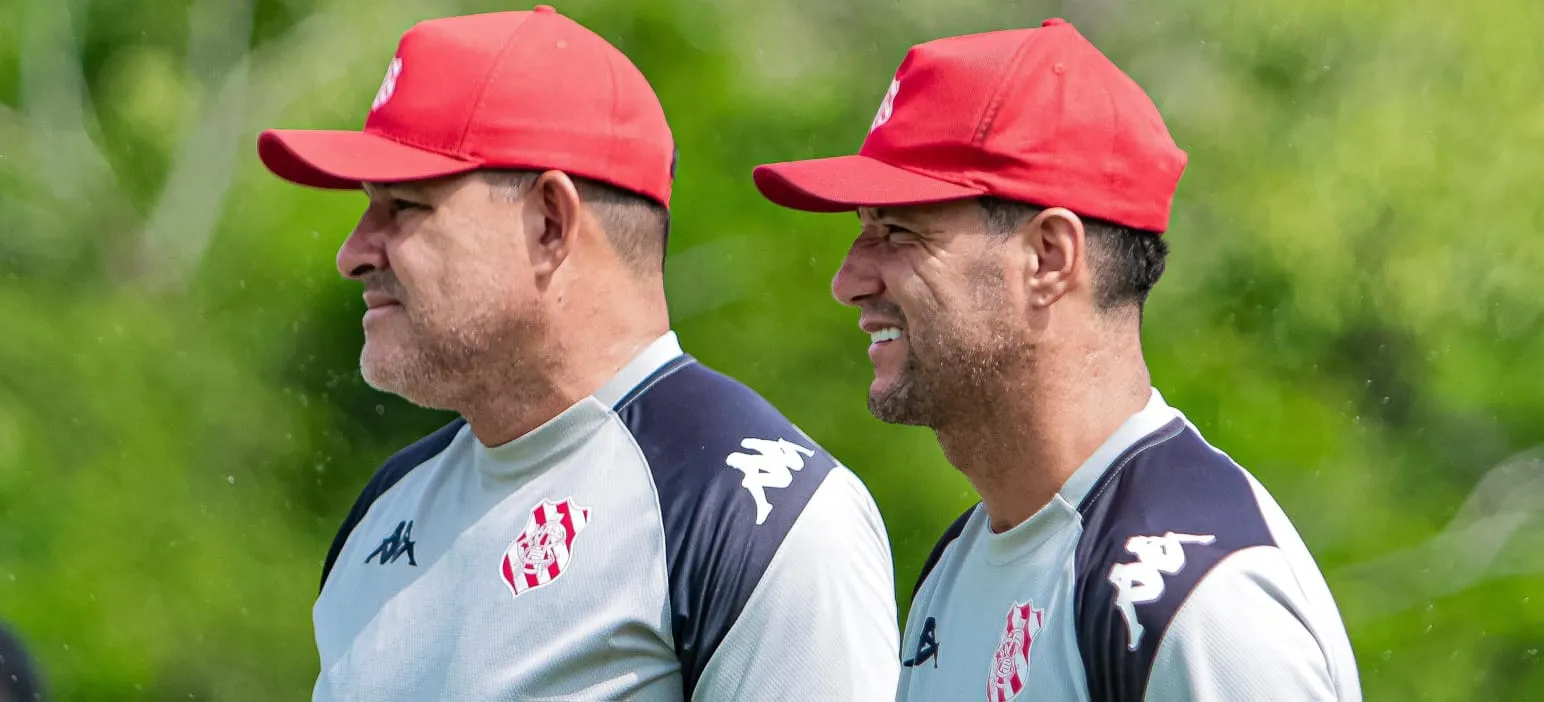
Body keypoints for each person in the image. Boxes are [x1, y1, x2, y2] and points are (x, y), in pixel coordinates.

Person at [257, 6, 899, 700]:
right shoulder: (387, 507)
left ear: (550, 222)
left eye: (403, 207)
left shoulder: (759, 517)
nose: (353, 252)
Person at [752, 18, 1362, 702]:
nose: (849, 280)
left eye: (896, 231)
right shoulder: (965, 561)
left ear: (1048, 258)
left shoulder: (1196, 606)